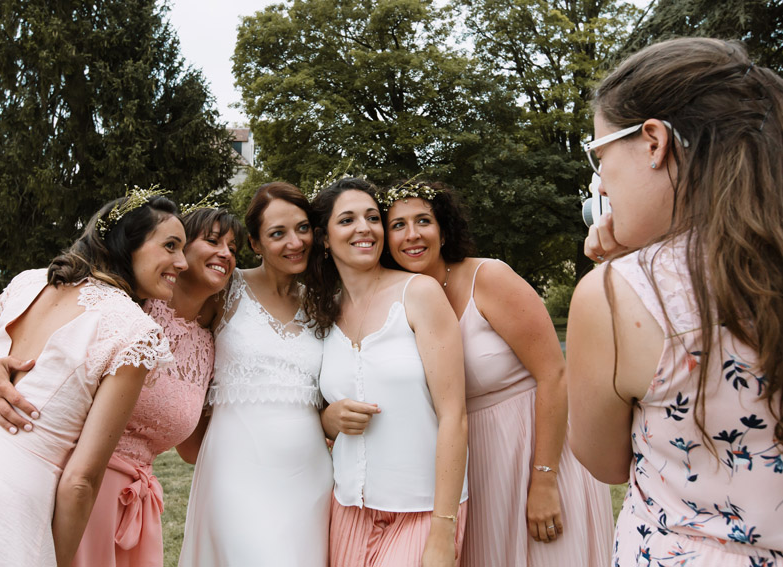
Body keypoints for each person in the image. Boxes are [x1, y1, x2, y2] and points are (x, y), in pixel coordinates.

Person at [567, 37, 783, 566]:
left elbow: (604, 461)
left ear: (654, 141)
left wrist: (632, 268)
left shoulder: (617, 298)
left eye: (600, 155)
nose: (600, 182)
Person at [0, 206, 245, 566]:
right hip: (73, 490)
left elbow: (191, 448)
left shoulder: (208, 345)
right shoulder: (130, 307)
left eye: (234, 248)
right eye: (212, 240)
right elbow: (0, 323)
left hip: (135, 507)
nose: (226, 253)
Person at [0, 192, 181, 566]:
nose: (182, 262)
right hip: (9, 502)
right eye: (170, 246)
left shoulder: (32, 282)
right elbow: (80, 480)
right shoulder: (134, 330)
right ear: (126, 244)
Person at [380, 180, 613, 567]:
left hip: (533, 454)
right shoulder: (399, 300)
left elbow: (554, 375)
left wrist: (543, 481)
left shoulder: (488, 278)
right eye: (398, 225)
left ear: (443, 229)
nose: (413, 235)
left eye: (423, 220)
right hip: (469, 470)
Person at [305, 178, 468, 567]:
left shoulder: (420, 293)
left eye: (373, 218)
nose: (364, 228)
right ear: (324, 238)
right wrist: (329, 419)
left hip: (423, 509)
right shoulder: (320, 310)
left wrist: (443, 528)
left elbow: (454, 417)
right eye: (347, 220)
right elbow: (320, 416)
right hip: (348, 508)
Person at [179, 182, 332, 567]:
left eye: (302, 228)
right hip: (235, 472)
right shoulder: (226, 290)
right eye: (278, 234)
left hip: (310, 478)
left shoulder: (324, 302)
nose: (295, 242)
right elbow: (167, 324)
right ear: (256, 244)